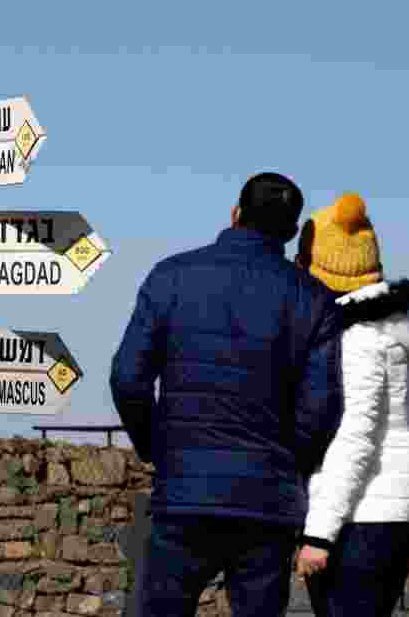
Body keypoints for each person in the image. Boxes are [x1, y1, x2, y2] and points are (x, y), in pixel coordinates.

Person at [110, 172, 347, 617]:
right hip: (267, 502)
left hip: (183, 492)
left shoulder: (171, 277)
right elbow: (323, 408)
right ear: (292, 232)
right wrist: (285, 463)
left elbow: (128, 378)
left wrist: (158, 448)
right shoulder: (314, 300)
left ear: (235, 214)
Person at [292, 193, 409, 616]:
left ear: (315, 267)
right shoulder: (395, 326)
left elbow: (354, 437)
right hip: (392, 514)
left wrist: (319, 535)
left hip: (359, 522)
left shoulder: (358, 339)